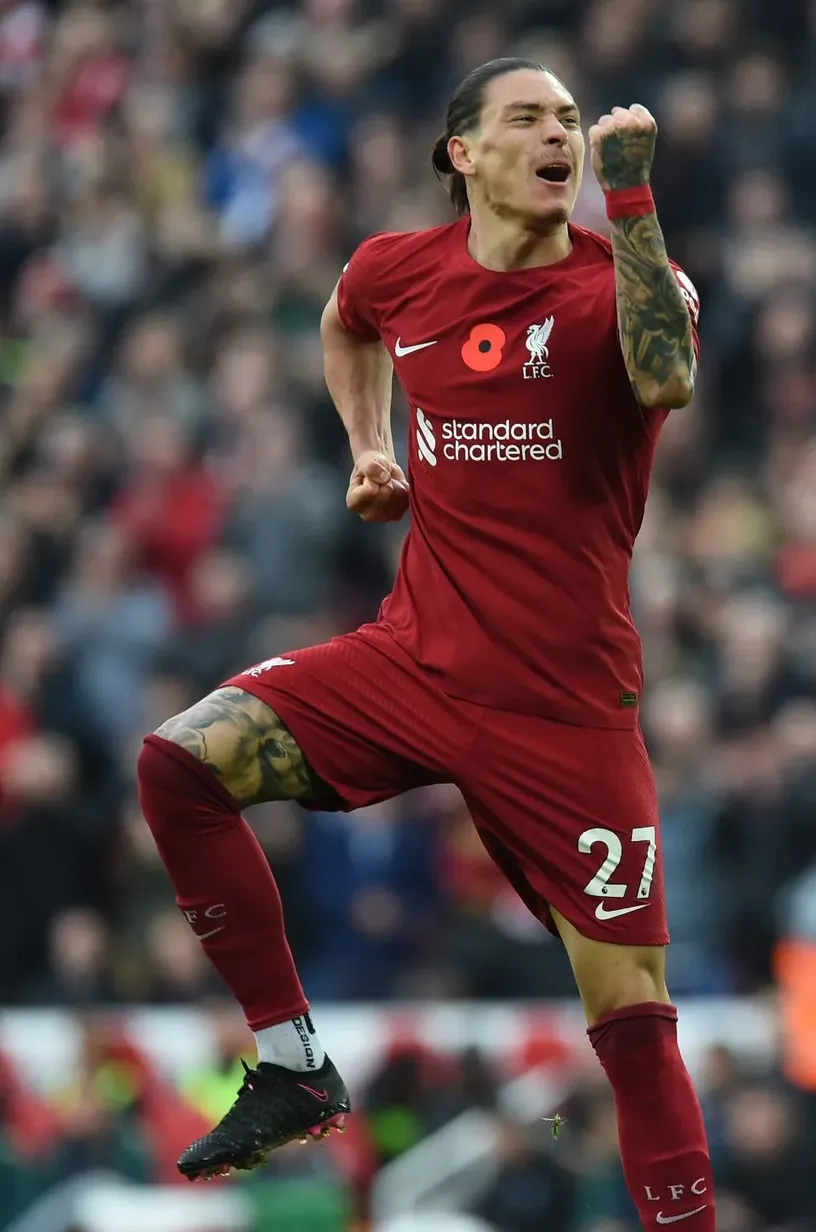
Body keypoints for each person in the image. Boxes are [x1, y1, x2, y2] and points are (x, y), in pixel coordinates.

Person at [136, 57, 714, 1231]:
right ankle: (293, 1062)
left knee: (634, 1024)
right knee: (178, 764)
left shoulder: (625, 280)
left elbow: (670, 376)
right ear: (464, 153)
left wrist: (636, 198)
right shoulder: (398, 269)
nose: (559, 134)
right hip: (415, 661)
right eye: (528, 119)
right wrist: (367, 442)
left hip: (565, 709)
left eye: (568, 121)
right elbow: (344, 322)